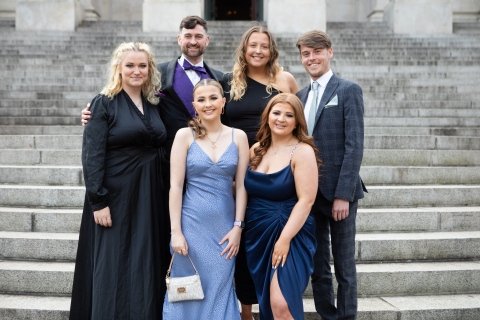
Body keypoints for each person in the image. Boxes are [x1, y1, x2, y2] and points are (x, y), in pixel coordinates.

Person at [70, 42, 166, 319]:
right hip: (115, 195)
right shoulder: (103, 102)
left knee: (144, 260)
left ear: (150, 69)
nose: (137, 71)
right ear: (119, 68)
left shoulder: (155, 102)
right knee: (115, 260)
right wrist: (97, 200)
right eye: (130, 65)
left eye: (142, 65)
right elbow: (92, 154)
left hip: (150, 194)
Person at [224, 25, 299, 319]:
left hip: (278, 169)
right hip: (238, 169)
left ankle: (276, 301)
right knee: (243, 239)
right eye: (252, 45)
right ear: (244, 49)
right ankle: (245, 311)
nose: (257, 51)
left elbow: (300, 119)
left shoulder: (285, 79)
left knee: (273, 234)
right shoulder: (229, 81)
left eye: (263, 46)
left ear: (272, 50)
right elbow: (203, 112)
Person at [163, 79, 249, 319]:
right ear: (194, 105)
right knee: (188, 290)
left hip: (225, 229)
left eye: (213, 98)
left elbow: (242, 186)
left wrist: (238, 227)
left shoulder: (238, 136)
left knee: (220, 288)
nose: (207, 103)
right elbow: (176, 186)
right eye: (201, 99)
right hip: (191, 226)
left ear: (223, 102)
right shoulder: (184, 136)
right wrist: (176, 231)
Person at [296, 30, 367, 320]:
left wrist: (343, 195)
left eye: (317, 52)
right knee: (318, 265)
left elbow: (354, 146)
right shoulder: (299, 96)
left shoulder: (348, 90)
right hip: (309, 195)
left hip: (339, 194)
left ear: (329, 52)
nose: (311, 58)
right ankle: (328, 315)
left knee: (345, 267)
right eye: (306, 54)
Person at [243, 93, 319, 320]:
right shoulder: (256, 149)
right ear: (267, 116)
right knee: (268, 303)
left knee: (281, 303)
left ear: (297, 121)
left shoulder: (302, 151)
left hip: (290, 233)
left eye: (289, 115)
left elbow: (306, 200)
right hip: (258, 234)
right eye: (276, 113)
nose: (281, 119)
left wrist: (284, 240)